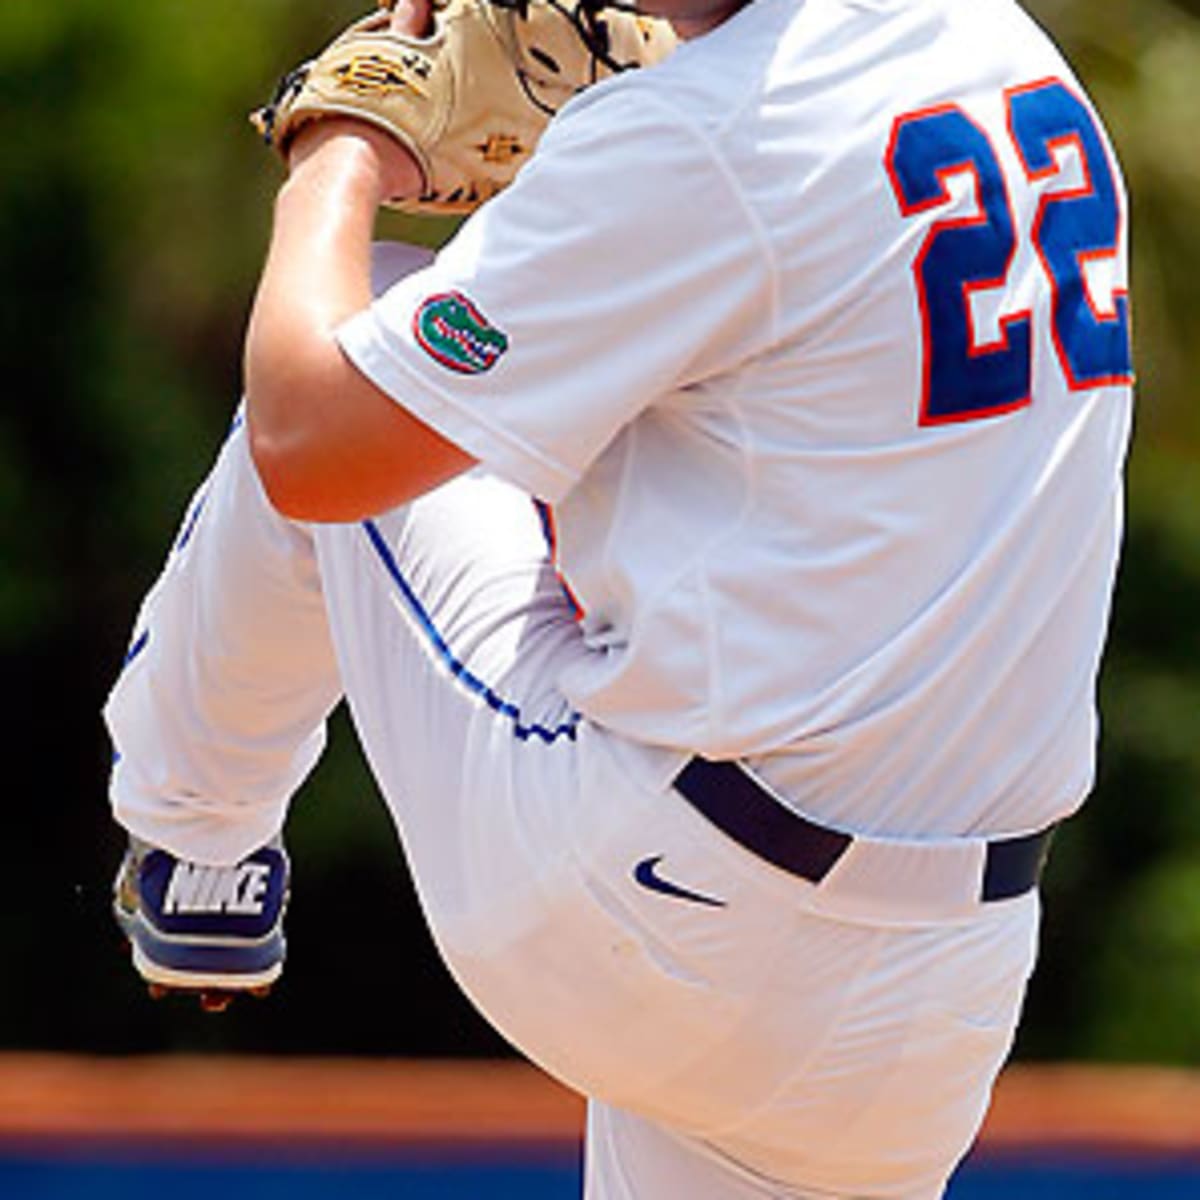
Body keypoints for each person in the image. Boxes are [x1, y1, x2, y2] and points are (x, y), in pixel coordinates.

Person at [105, 0, 1134, 1195]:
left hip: (660, 915)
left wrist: (341, 147)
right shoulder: (998, 46)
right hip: (939, 1001)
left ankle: (200, 839)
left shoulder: (698, 138)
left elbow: (311, 441)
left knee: (362, 309)